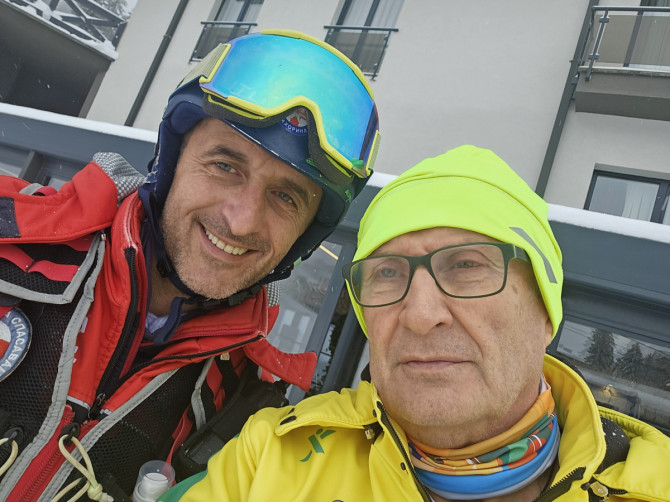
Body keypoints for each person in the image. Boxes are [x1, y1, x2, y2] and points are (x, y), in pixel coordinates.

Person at [159, 145, 670, 502]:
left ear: (545, 313)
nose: (422, 315)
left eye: (467, 265)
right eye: (387, 273)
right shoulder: (268, 459)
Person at [0, 30, 379, 501]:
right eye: (225, 165)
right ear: (172, 160)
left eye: (286, 197)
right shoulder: (11, 232)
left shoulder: (244, 411)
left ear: (303, 236)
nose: (241, 222)